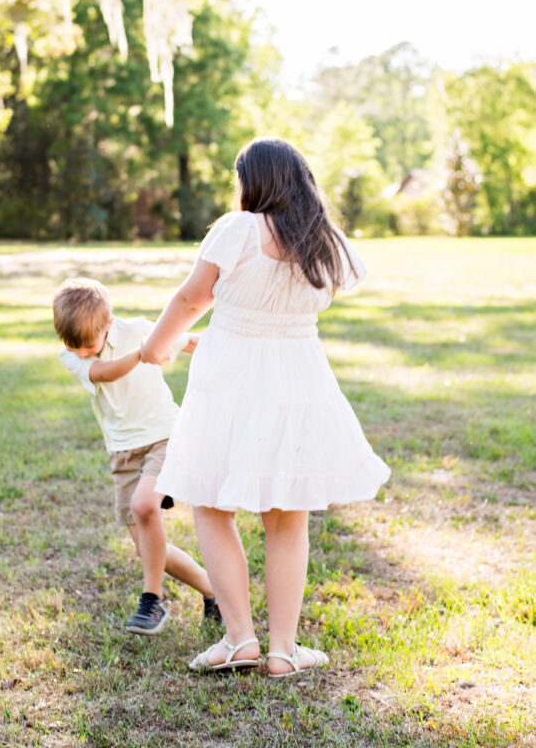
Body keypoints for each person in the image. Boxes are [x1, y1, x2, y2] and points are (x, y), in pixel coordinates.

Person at [141, 137, 390, 676]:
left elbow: (191, 298)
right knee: (286, 518)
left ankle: (240, 640)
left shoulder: (238, 230)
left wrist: (156, 347)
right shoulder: (326, 243)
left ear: (251, 181)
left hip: (229, 380)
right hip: (296, 383)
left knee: (212, 503)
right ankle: (282, 649)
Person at [53, 277, 220, 635]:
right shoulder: (75, 354)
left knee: (145, 506)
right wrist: (141, 354)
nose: (81, 352)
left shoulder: (139, 331)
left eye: (87, 344)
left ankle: (153, 600)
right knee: (149, 551)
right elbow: (102, 372)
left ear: (109, 325)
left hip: (163, 436)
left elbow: (187, 340)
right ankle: (214, 590)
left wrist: (229, 346)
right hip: (122, 452)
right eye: (73, 346)